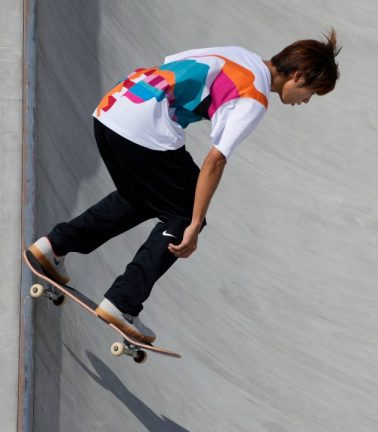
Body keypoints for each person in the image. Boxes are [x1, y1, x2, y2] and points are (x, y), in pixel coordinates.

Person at [26, 30, 341, 343]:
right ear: (298, 76)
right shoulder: (255, 97)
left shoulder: (237, 52)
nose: (305, 101)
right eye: (311, 92)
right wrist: (194, 224)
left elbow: (173, 64)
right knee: (187, 212)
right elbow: (214, 162)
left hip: (113, 107)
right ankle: (123, 302)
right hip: (144, 130)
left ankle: (55, 245)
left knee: (140, 198)